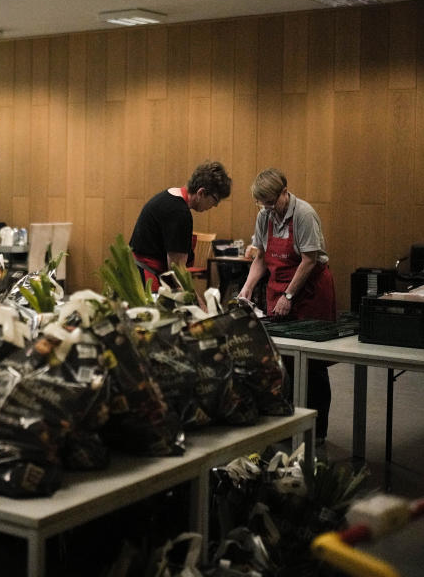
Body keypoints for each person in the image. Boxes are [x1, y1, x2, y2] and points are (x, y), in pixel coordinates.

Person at [238, 168, 336, 443]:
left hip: (309, 291)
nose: (268, 208)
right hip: (278, 287)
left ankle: (317, 431)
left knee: (313, 364)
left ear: (284, 192)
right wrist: (247, 288)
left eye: (272, 201)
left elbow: (309, 260)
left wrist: (289, 296)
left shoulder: (304, 214)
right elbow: (260, 258)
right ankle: (288, 425)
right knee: (283, 359)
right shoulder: (264, 216)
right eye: (263, 203)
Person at [129, 160, 232, 293]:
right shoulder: (179, 213)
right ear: (201, 193)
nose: (215, 205)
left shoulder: (169, 196)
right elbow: (176, 271)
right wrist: (196, 300)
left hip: (139, 274)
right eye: (215, 200)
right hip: (146, 281)